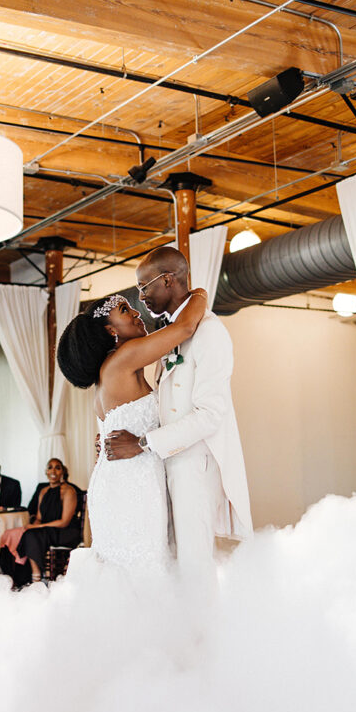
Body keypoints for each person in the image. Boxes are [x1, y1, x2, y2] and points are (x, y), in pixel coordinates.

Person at [105, 246, 253, 581]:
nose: (141, 297)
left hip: (194, 466)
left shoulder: (210, 331)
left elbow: (211, 414)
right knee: (170, 560)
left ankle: (203, 632)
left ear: (168, 280)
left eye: (144, 287)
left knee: (194, 563)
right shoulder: (172, 330)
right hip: (166, 461)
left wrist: (143, 443)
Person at [57, 288, 207, 570]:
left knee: (129, 573)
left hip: (120, 481)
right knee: (145, 568)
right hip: (132, 486)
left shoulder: (110, 369)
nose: (137, 313)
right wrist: (198, 292)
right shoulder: (124, 357)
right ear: (111, 330)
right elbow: (186, 326)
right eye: (126, 310)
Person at [0, 458, 81, 586]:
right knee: (11, 533)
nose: (53, 471)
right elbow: (39, 518)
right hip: (46, 530)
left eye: (57, 468)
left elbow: (64, 522)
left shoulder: (69, 491)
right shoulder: (43, 491)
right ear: (46, 472)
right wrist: (32, 526)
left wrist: (37, 527)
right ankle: (10, 577)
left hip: (65, 532)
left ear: (62, 472)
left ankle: (35, 578)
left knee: (31, 535)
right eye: (50, 467)